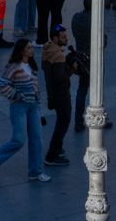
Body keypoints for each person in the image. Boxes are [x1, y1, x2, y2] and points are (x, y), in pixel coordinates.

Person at [0, 39, 49, 182]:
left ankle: (35, 172)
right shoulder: (14, 67)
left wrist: (40, 110)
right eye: (29, 48)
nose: (31, 50)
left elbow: (37, 91)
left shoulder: (32, 66)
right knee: (19, 139)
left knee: (37, 140)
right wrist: (16, 95)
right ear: (22, 50)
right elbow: (1, 83)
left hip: (33, 107)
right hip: (19, 107)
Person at [40, 24, 74, 166]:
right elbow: (61, 78)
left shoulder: (48, 50)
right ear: (55, 38)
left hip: (52, 94)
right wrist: (71, 69)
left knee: (61, 122)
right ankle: (52, 154)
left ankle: (58, 148)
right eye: (63, 37)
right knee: (63, 123)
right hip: (61, 95)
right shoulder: (59, 56)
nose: (66, 38)